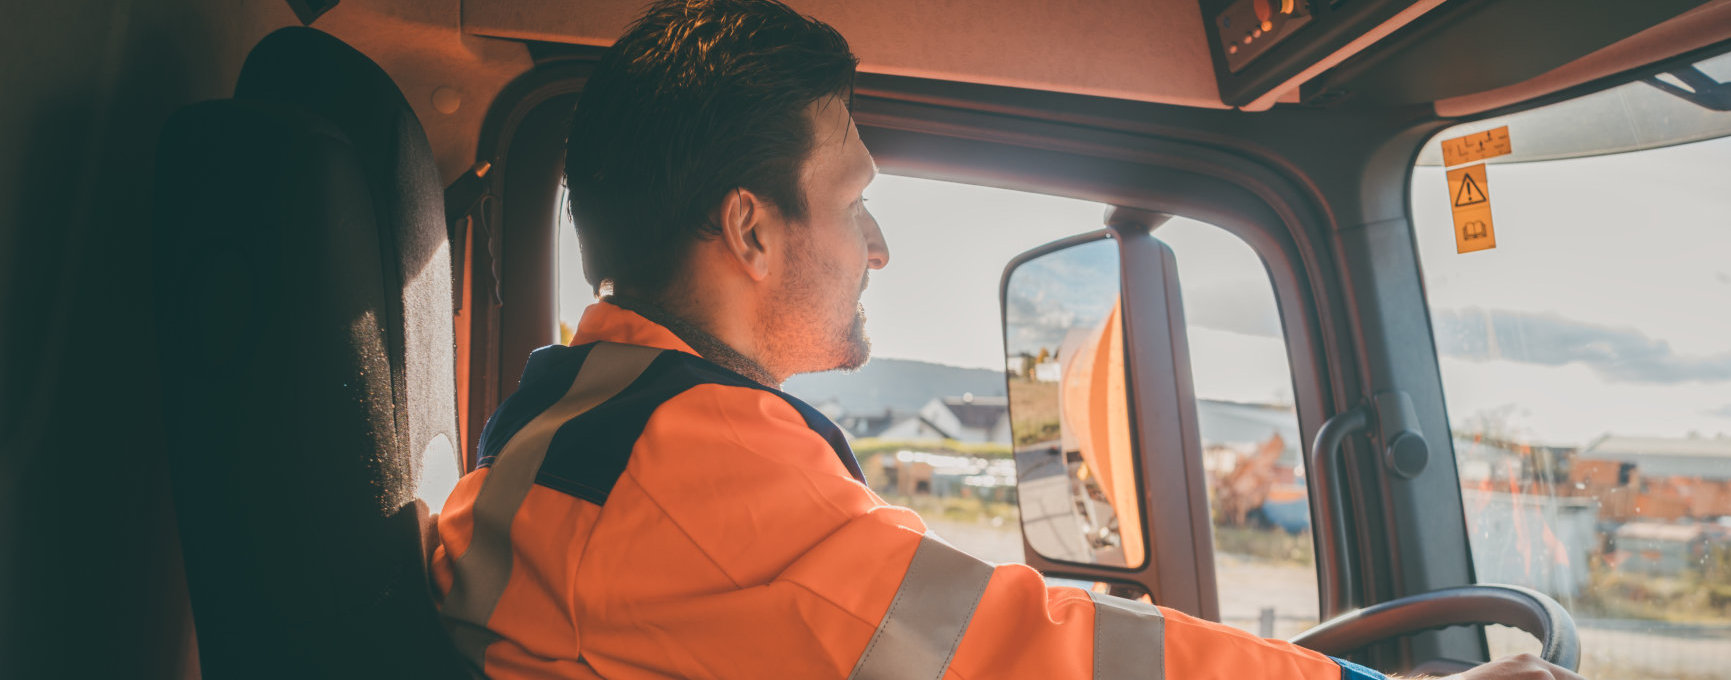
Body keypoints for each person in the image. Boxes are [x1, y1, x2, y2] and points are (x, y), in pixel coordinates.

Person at [431, 1, 1586, 678]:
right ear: (751, 229)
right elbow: (1032, 653)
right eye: (853, 201)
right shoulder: (695, 465)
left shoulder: (560, 423)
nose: (877, 248)